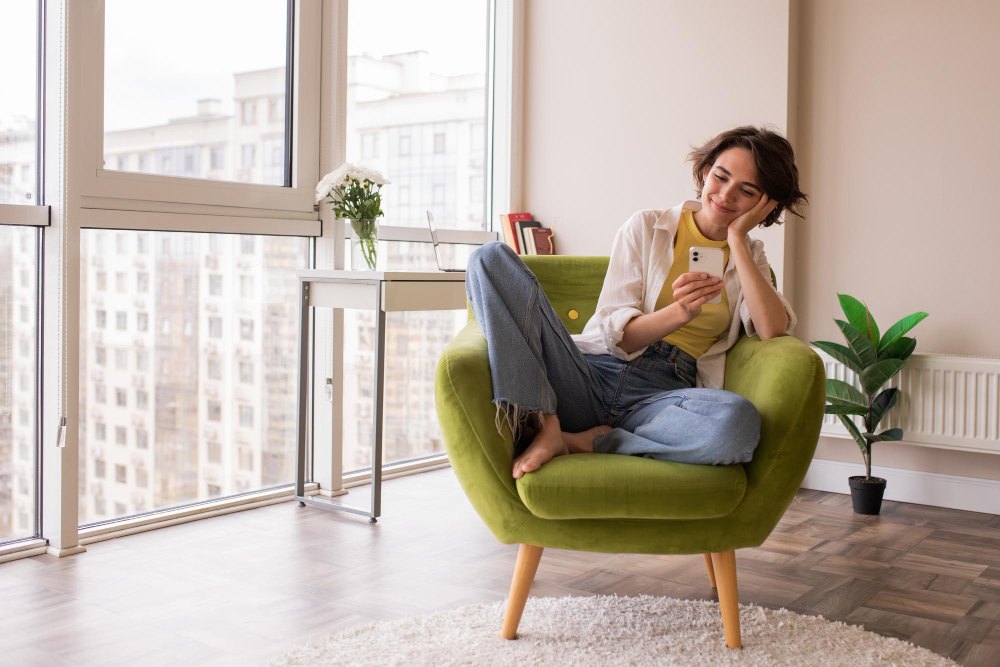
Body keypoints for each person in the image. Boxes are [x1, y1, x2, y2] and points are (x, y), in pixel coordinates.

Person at [465, 126, 808, 479]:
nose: (725, 195)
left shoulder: (750, 256)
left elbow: (772, 328)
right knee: (489, 258)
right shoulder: (646, 226)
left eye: (747, 191)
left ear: (764, 204)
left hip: (663, 397)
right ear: (705, 173)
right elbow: (621, 339)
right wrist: (680, 312)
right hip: (589, 374)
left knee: (738, 424)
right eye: (720, 177)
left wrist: (737, 237)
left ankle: (595, 441)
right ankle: (546, 425)